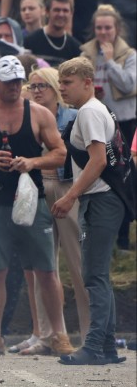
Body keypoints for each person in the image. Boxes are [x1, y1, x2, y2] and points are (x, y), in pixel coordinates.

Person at [0, 55, 72, 357]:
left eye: (17, 82)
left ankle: (59, 333)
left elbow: (61, 153)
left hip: (31, 199)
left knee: (46, 270)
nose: (13, 88)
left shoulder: (38, 114)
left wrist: (33, 161)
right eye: (7, 82)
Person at [54, 57, 128, 365]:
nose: (62, 89)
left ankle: (95, 346)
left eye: (67, 83)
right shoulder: (95, 111)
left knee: (94, 275)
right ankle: (107, 347)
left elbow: (98, 161)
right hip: (103, 199)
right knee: (99, 275)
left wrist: (70, 196)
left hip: (101, 200)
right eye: (61, 82)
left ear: (87, 82)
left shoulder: (89, 112)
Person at [23, 67, 87, 350]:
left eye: (43, 86)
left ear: (54, 88)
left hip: (67, 187)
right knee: (43, 266)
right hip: (37, 190)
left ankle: (90, 334)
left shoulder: (72, 117)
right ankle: (48, 335)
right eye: (33, 86)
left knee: (79, 264)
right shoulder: (26, 118)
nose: (37, 91)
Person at [81, 4, 137, 250]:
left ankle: (123, 237)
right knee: (95, 174)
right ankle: (94, 234)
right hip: (96, 121)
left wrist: (111, 62)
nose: (103, 32)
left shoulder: (129, 54)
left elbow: (128, 85)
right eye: (99, 28)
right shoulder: (85, 53)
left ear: (117, 29)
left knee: (122, 178)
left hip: (123, 122)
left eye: (108, 28)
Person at [24, 0, 82, 65]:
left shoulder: (76, 48)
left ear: (71, 14)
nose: (61, 14)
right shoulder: (30, 41)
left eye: (65, 11)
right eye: (57, 10)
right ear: (47, 12)